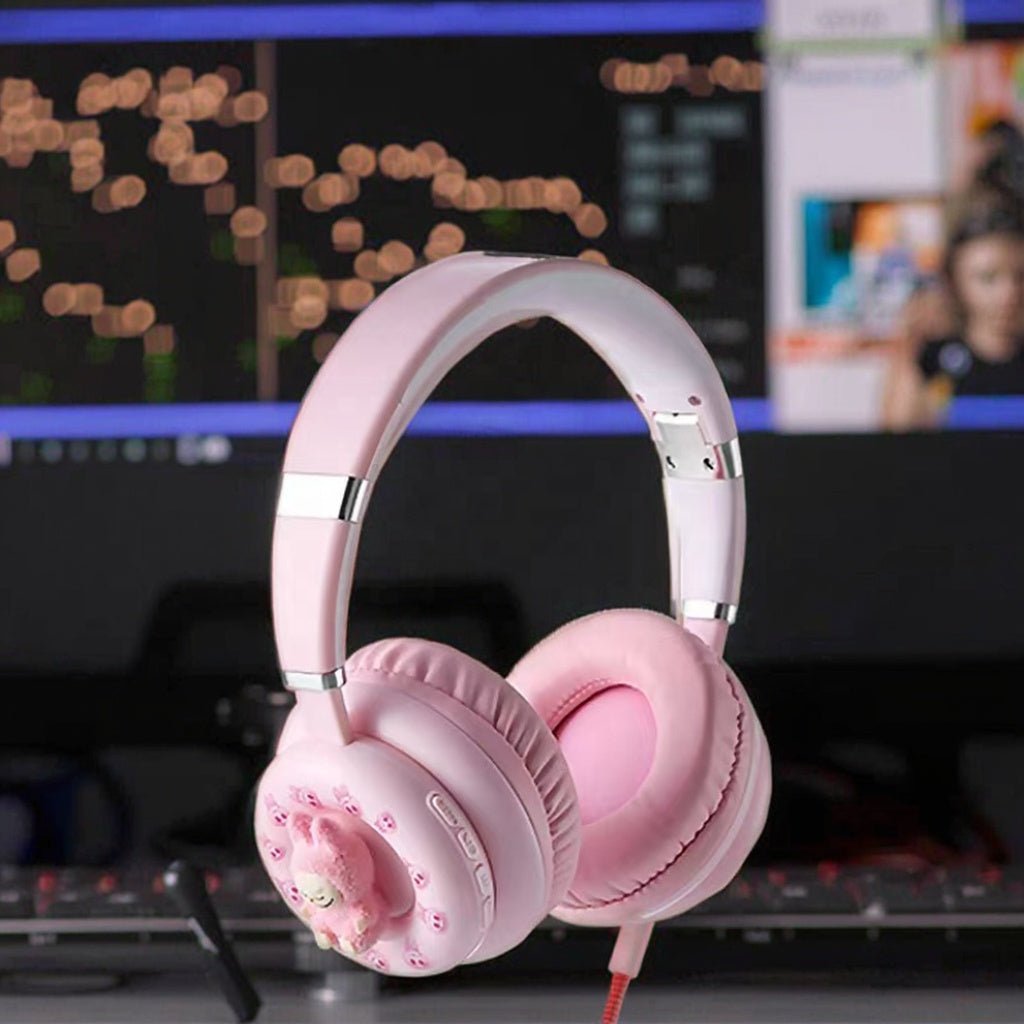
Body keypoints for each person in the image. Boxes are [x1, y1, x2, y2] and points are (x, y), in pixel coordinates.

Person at [882, 201, 1024, 429]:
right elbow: (897, 432)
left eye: (1020, 276)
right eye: (988, 278)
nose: (1009, 293)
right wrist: (909, 341)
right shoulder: (934, 357)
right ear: (955, 282)